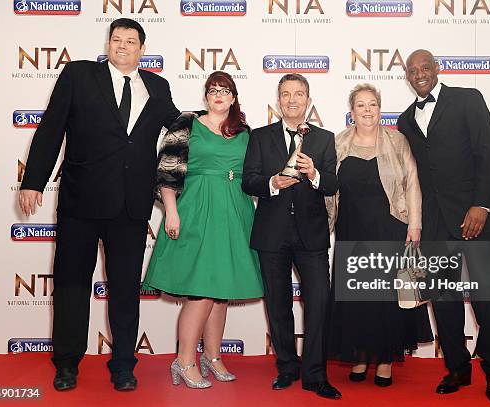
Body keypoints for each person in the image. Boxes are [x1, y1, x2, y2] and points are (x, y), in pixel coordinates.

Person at [18, 18, 180, 392]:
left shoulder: (157, 86)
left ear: (142, 49)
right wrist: (33, 181)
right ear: (108, 44)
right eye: (116, 39)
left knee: (125, 289)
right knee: (72, 284)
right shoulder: (78, 75)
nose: (122, 46)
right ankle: (67, 363)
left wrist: (225, 126)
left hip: (131, 204)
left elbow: (180, 129)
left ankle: (124, 363)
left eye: (130, 41)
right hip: (82, 200)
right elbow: (51, 128)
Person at [397, 49, 490, 403]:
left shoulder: (468, 99)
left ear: (437, 69)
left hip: (474, 218)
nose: (419, 74)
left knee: (486, 297)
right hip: (434, 225)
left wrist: (483, 205)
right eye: (412, 71)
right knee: (444, 301)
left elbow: (487, 152)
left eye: (425, 67)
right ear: (407, 77)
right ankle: (457, 368)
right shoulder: (404, 120)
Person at [142, 71, 263, 389]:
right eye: (213, 90)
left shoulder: (244, 132)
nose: (218, 95)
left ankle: (213, 356)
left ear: (234, 97)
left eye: (225, 90)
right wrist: (171, 212)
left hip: (235, 212)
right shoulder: (186, 123)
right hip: (196, 210)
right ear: (206, 96)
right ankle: (184, 361)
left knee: (221, 293)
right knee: (200, 292)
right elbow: (167, 170)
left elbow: (254, 175)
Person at [242, 74, 341, 400]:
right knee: (278, 305)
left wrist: (314, 174)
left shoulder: (325, 139)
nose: (292, 99)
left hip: (311, 237)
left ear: (308, 99)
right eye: (286, 94)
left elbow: (331, 185)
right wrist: (272, 183)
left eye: (298, 94)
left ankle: (315, 374)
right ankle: (287, 367)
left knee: (319, 305)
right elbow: (249, 181)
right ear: (278, 100)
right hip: (272, 235)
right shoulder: (260, 136)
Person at [327, 83, 433, 386]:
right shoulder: (339, 142)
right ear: (352, 112)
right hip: (351, 230)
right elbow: (327, 187)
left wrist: (415, 225)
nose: (367, 110)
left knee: (385, 297)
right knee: (357, 296)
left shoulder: (397, 141)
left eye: (372, 104)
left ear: (380, 108)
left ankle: (386, 359)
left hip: (389, 227)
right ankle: (360, 357)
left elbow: (413, 183)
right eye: (361, 105)